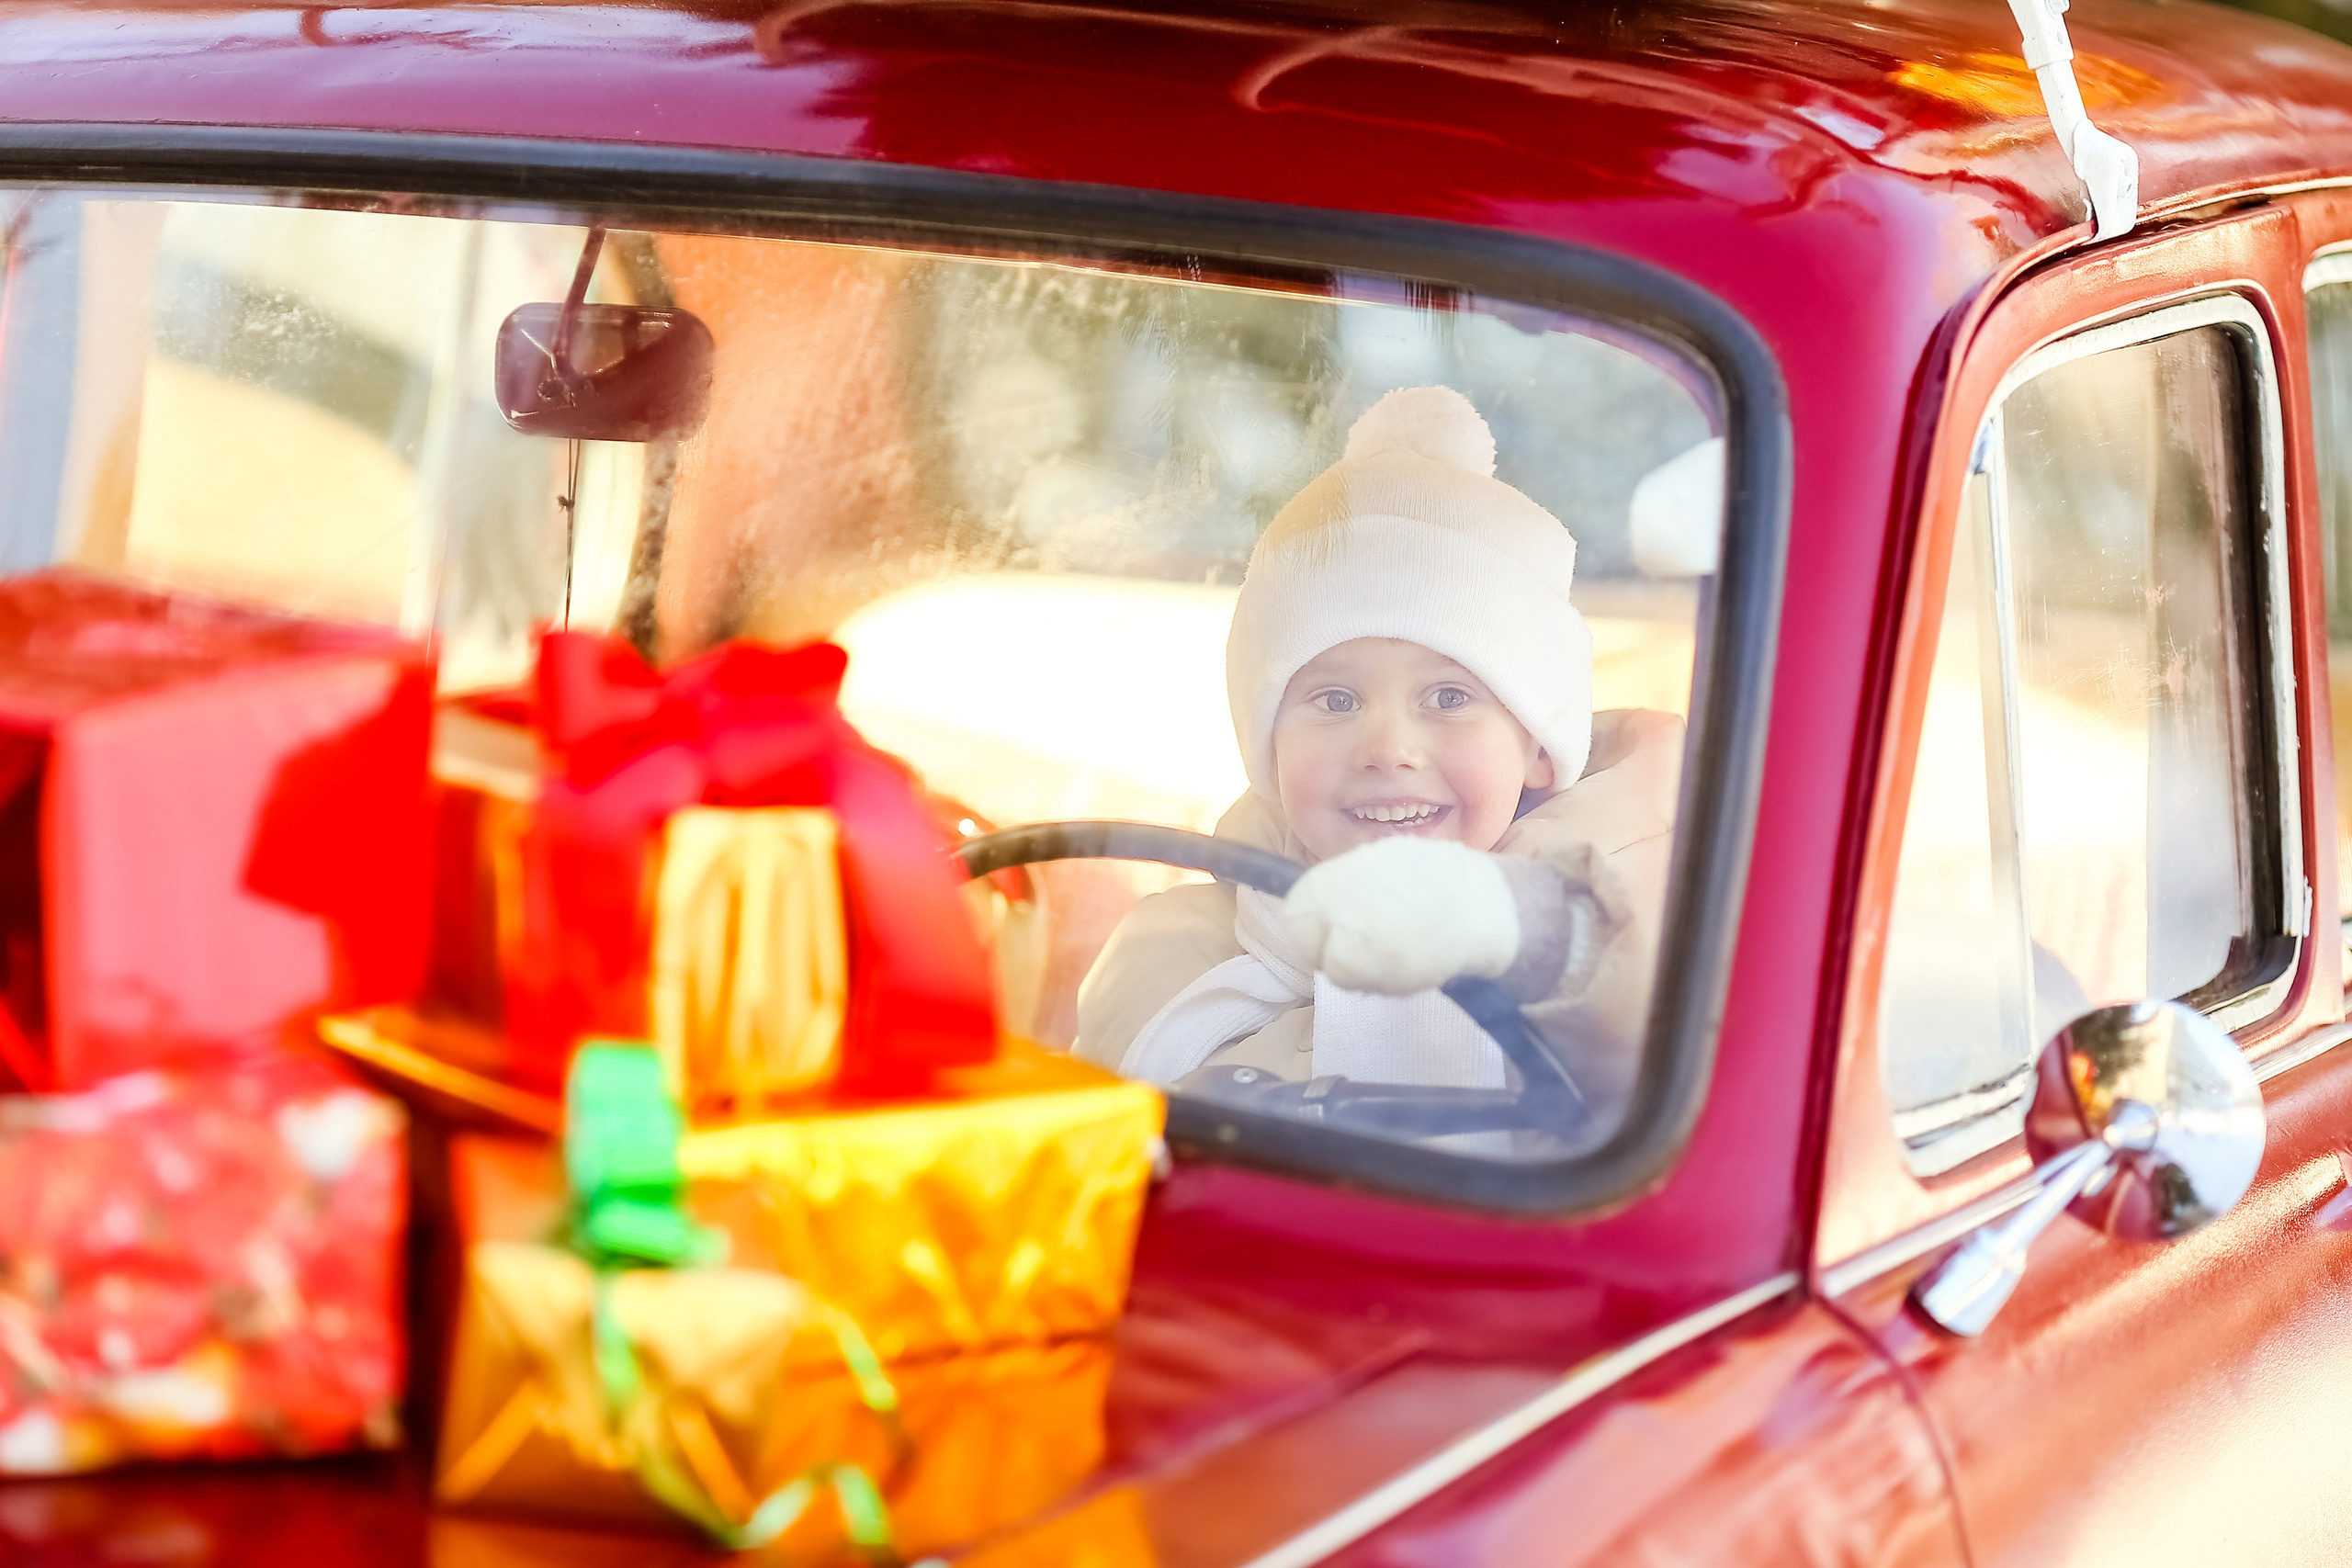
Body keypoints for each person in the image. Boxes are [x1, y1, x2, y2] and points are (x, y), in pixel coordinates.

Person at [1072, 385, 1682, 1137]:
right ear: (1268, 745)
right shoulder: (1175, 947)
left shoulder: (1642, 911)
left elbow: (1677, 1049)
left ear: (1535, 745)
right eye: (1333, 700)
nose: (1388, 749)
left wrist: (1529, 931)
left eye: (1450, 697)